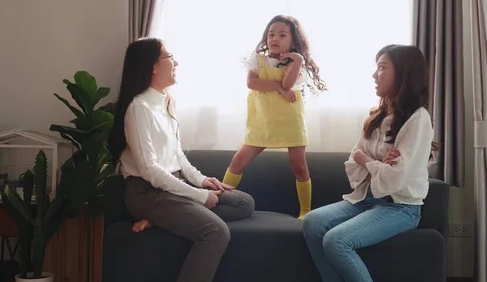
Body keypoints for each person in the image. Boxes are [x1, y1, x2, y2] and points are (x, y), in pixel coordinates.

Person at [107, 37, 255, 282]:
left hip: (172, 186)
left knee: (243, 202)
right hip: (148, 192)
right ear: (153, 67)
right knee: (215, 232)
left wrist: (203, 181)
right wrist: (199, 196)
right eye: (169, 56)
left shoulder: (167, 102)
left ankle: (159, 220)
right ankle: (166, 214)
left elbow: (177, 156)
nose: (176, 62)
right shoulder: (138, 108)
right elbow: (150, 170)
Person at [302, 44, 434, 282]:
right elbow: (353, 157)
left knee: (337, 240)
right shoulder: (377, 116)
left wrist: (367, 160)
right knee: (312, 222)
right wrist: (376, 163)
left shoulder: (418, 120)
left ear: (403, 73)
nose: (374, 75)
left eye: (382, 68)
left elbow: (394, 178)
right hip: (366, 198)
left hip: (400, 207)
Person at [221, 15, 327, 219]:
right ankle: (220, 200)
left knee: (299, 165)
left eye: (282, 35)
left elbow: (288, 84)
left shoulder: (296, 63)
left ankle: (305, 210)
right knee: (238, 160)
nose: (275, 39)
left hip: (290, 120)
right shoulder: (257, 59)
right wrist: (277, 87)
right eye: (271, 34)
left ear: (293, 40)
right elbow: (252, 83)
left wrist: (299, 60)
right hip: (263, 120)